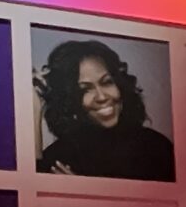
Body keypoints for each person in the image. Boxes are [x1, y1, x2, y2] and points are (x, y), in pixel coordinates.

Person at [35, 37, 176, 180]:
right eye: (85, 90)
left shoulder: (156, 147)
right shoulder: (59, 158)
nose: (102, 97)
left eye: (107, 82)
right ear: (68, 100)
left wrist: (84, 191)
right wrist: (34, 107)